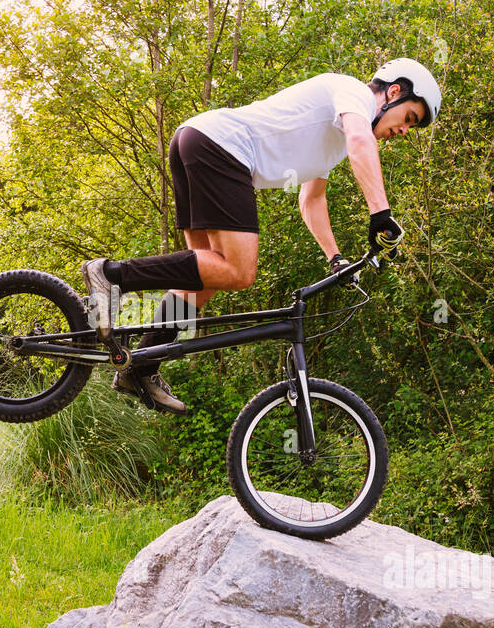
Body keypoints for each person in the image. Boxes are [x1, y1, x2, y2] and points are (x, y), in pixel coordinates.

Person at [83, 57, 441, 414]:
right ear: (393, 92)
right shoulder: (354, 96)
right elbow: (362, 142)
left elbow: (311, 199)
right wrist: (381, 215)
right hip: (220, 146)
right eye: (409, 118)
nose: (405, 131)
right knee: (240, 271)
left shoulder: (337, 138)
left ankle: (140, 368)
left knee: (204, 277)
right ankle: (112, 275)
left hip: (196, 140)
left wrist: (336, 259)